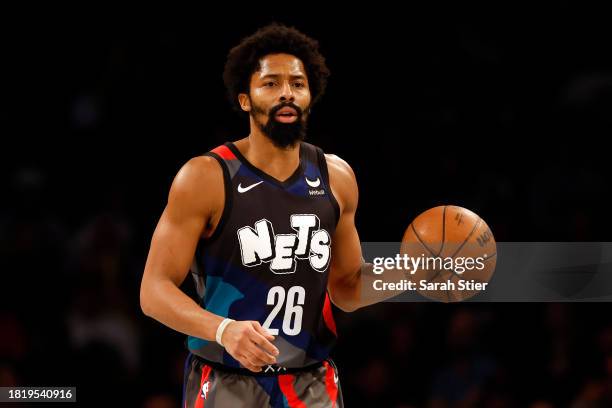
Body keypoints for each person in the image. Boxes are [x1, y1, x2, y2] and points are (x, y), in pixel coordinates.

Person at [140, 23, 400, 407]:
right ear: (245, 99)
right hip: (228, 379)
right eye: (271, 83)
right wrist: (224, 329)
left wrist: (414, 271)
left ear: (311, 96)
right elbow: (153, 291)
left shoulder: (337, 178)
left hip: (311, 382)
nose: (286, 94)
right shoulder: (206, 177)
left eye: (297, 84)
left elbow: (346, 287)